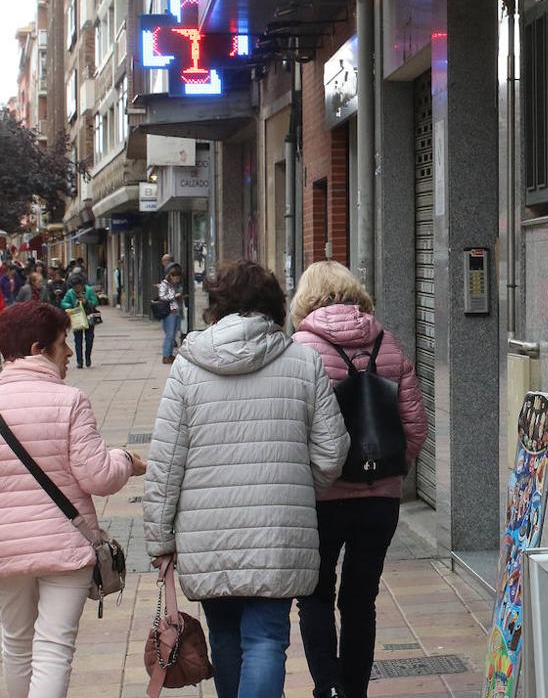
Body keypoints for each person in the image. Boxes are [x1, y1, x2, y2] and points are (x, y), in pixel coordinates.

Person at [142, 260, 349, 698]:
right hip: (278, 530)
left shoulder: (187, 366)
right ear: (275, 305)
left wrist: (160, 538)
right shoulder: (303, 361)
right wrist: (295, 487)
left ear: (216, 305)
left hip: (207, 533)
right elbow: (333, 450)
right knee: (267, 639)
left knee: (225, 638)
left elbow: (165, 461)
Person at [290, 261, 428, 698]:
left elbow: (293, 429)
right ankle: (355, 691)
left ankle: (328, 687)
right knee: (360, 599)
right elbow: (416, 426)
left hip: (322, 498)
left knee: (314, 594)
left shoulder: (299, 350)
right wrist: (387, 472)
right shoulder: (389, 343)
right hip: (379, 500)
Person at [0, 302, 146, 698]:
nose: (68, 353)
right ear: (37, 350)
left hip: (6, 549)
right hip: (66, 545)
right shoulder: (70, 401)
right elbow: (98, 476)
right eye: (62, 343)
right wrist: (126, 460)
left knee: (15, 645)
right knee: (53, 648)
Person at [61, 274, 100, 370]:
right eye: (75, 287)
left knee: (89, 339)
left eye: (78, 286)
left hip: (88, 317)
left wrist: (86, 301)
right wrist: (72, 304)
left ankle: (88, 358)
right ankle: (79, 361)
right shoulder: (70, 293)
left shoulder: (89, 290)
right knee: (78, 340)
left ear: (82, 285)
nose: (77, 289)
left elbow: (95, 302)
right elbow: (63, 303)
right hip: (77, 317)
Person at [157, 263, 185, 364]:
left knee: (173, 334)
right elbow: (162, 297)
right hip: (170, 312)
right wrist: (174, 296)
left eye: (178, 277)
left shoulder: (177, 285)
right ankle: (166, 355)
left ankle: (169, 354)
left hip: (177, 311)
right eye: (175, 277)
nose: (177, 279)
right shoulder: (165, 284)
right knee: (170, 334)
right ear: (170, 276)